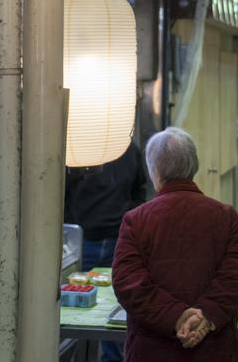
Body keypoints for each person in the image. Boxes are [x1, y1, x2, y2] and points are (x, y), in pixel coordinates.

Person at [112, 128, 238, 361]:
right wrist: (206, 315)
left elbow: (128, 282)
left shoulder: (136, 220)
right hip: (215, 348)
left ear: (153, 170)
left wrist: (176, 317)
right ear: (194, 165)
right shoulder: (224, 215)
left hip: (152, 349)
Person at [64, 138, 148, 362]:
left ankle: (112, 359)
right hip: (82, 240)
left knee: (117, 305)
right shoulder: (77, 146)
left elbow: (139, 189)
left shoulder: (130, 150)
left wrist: (130, 222)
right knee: (77, 308)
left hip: (118, 240)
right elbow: (61, 194)